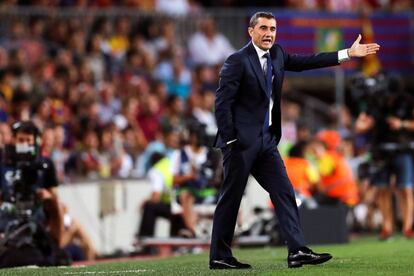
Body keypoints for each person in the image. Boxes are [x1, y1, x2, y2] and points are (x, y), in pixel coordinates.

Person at [210, 11, 380, 269]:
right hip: (241, 143)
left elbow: (306, 61)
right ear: (251, 31)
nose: (269, 34)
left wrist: (346, 53)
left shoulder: (277, 54)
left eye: (273, 29)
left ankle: (297, 250)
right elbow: (222, 103)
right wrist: (231, 140)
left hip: (267, 141)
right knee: (231, 197)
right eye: (264, 28)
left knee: (285, 191)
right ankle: (220, 256)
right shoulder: (237, 61)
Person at [0, 121, 66, 267]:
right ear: (13, 140)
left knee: (57, 257)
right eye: (21, 140)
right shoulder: (2, 165)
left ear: (35, 141)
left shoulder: (44, 165)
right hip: (8, 225)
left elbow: (55, 200)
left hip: (37, 225)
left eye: (28, 140)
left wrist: (48, 199)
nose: (24, 145)